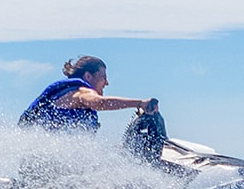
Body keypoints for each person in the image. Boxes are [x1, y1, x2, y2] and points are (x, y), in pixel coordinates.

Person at [18, 55, 157, 132]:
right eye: (103, 77)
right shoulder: (80, 92)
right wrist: (140, 103)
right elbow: (100, 103)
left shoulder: (65, 93)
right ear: (88, 76)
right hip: (48, 166)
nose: (106, 83)